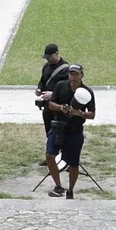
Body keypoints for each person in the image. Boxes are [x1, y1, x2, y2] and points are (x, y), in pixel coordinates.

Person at [46, 64, 95, 199]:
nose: (73, 77)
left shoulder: (87, 92)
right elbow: (51, 104)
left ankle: (71, 190)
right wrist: (62, 108)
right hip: (58, 127)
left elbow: (92, 114)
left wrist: (81, 114)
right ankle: (58, 185)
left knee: (74, 163)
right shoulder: (60, 86)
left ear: (82, 75)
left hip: (75, 130)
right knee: (50, 155)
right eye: (71, 74)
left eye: (76, 74)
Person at [36, 43, 71, 196]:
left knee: (60, 135)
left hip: (57, 106)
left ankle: (65, 160)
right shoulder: (46, 67)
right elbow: (42, 81)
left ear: (57, 54)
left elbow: (64, 87)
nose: (48, 60)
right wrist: (39, 89)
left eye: (50, 57)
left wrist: (52, 94)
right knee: (49, 132)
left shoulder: (65, 70)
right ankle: (52, 158)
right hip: (47, 106)